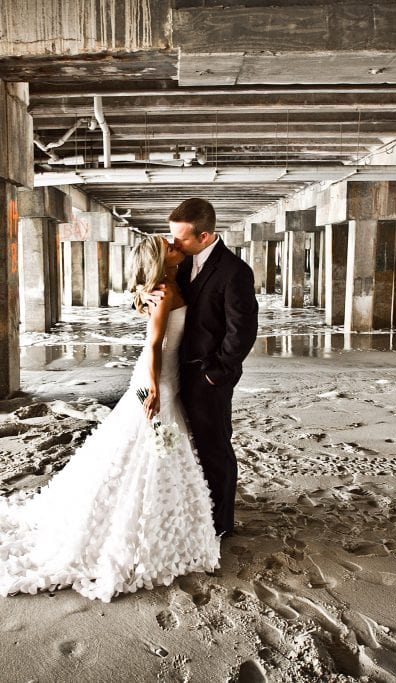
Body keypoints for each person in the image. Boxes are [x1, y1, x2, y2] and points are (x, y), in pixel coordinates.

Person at [0, 235, 219, 602]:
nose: (176, 245)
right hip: (157, 377)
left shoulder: (171, 281)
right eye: (169, 245)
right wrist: (155, 388)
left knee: (157, 445)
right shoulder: (164, 291)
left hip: (166, 373)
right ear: (162, 258)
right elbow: (153, 344)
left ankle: (163, 517)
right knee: (152, 441)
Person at [168, 198, 258, 537]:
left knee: (214, 446)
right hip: (177, 372)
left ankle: (221, 524)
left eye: (181, 239)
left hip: (208, 377)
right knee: (187, 446)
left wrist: (216, 373)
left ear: (205, 235)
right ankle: (197, 509)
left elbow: (243, 330)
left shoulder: (235, 272)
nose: (174, 244)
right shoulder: (180, 263)